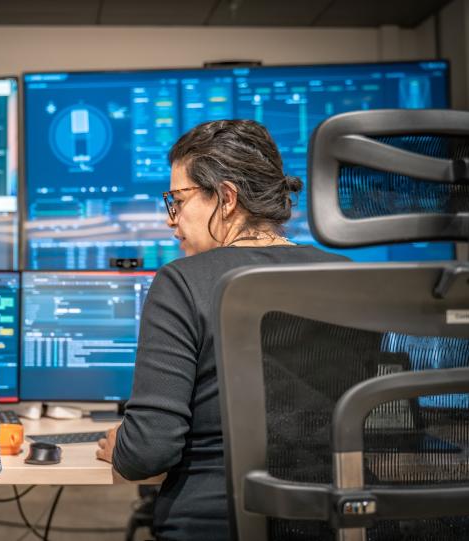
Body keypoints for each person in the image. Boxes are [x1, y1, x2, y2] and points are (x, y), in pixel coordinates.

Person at [95, 119, 349, 540]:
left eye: (177, 200)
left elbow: (147, 454)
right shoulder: (350, 276)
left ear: (226, 198)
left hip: (214, 524)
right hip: (333, 523)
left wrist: (121, 443)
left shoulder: (182, 282)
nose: (170, 221)